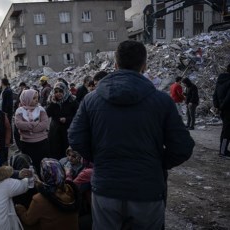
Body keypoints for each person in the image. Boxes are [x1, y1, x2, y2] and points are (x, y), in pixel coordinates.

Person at [68, 40, 194, 229]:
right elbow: (183, 146)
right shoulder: (162, 101)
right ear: (144, 65)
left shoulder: (90, 100)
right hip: (147, 191)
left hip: (106, 189)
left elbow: (75, 138)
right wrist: (157, 162)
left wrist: (100, 158)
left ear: (116, 65)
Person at [15, 158, 79, 230]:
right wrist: (41, 184)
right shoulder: (70, 189)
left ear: (43, 175)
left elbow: (29, 220)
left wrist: (21, 210)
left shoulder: (39, 200)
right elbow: (54, 188)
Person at [15, 89, 50, 173]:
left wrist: (28, 127)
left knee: (42, 165)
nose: (36, 100)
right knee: (29, 165)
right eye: (34, 98)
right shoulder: (20, 111)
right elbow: (19, 124)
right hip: (27, 143)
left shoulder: (40, 109)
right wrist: (34, 124)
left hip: (41, 142)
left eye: (37, 98)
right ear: (27, 99)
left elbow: (44, 124)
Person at [46, 82, 78, 160]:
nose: (58, 94)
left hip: (68, 132)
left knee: (68, 154)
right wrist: (53, 103)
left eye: (60, 91)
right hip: (55, 133)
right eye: (56, 92)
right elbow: (47, 114)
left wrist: (67, 119)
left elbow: (78, 116)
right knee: (55, 154)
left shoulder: (72, 100)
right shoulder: (52, 101)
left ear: (65, 91)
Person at [213, 63, 230, 158]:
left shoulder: (221, 80)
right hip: (228, 109)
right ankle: (223, 152)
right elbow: (229, 98)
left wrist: (217, 106)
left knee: (226, 130)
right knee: (227, 131)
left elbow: (215, 94)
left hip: (223, 110)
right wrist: (223, 106)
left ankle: (224, 150)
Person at [13, 82, 28, 152]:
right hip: (18, 115)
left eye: (22, 87)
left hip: (24, 117)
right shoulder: (20, 93)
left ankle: (23, 149)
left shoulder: (27, 93)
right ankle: (20, 148)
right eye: (21, 87)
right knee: (16, 133)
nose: (21, 89)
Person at [0, 78, 14, 143]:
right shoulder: (4, 90)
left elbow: (9, 103)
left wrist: (6, 112)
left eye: (0, 82)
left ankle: (10, 140)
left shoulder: (8, 91)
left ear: (2, 83)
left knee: (8, 125)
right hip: (3, 111)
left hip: (6, 112)